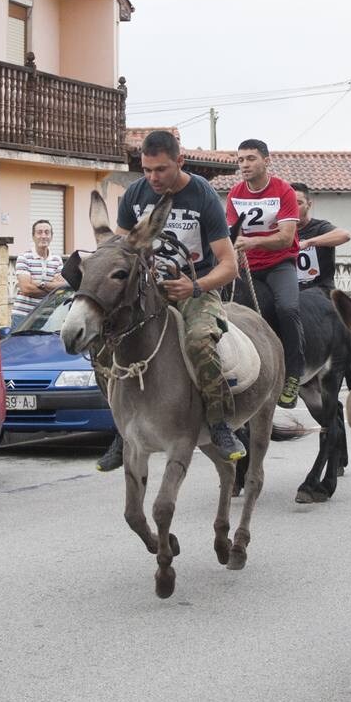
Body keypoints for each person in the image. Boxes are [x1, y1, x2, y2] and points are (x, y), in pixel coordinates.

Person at [99, 130, 246, 467]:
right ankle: (120, 432)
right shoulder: (134, 196)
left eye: (161, 170)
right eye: (147, 170)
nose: (153, 178)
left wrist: (193, 288)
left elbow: (229, 265)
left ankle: (219, 422)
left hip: (196, 289)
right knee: (103, 345)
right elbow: (119, 252)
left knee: (199, 343)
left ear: (180, 161)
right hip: (145, 293)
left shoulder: (203, 196)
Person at [228, 139, 304, 408]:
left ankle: (294, 373)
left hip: (279, 263)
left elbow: (286, 238)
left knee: (287, 308)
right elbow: (231, 233)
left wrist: (253, 242)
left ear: (266, 161)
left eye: (250, 158)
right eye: (241, 160)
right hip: (248, 267)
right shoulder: (235, 193)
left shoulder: (284, 191)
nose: (245, 165)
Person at [293, 183, 350, 291]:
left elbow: (344, 235)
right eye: (290, 203)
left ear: (309, 205)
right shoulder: (281, 231)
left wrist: (308, 243)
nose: (294, 208)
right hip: (292, 291)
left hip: (321, 290)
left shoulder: (320, 227)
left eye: (299, 203)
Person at [12, 219, 66, 329]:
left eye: (47, 232)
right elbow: (26, 289)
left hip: (47, 317)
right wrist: (51, 286)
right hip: (23, 316)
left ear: (51, 236)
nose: (43, 236)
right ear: (33, 236)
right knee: (21, 346)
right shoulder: (24, 258)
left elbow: (61, 289)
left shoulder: (57, 260)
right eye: (39, 232)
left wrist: (40, 284)